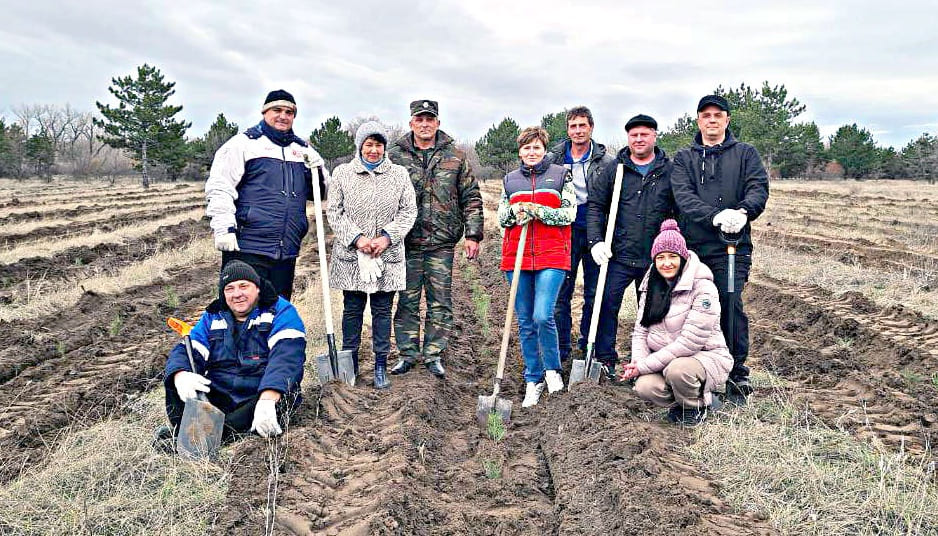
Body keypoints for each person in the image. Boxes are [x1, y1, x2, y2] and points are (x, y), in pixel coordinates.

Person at [670, 95, 769, 404]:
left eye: (718, 115)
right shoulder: (685, 158)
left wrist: (742, 212)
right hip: (695, 246)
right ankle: (695, 369)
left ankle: (736, 373)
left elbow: (758, 188)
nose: (711, 120)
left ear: (727, 120)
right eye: (705, 115)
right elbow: (683, 196)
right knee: (692, 306)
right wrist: (712, 216)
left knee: (729, 301)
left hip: (732, 246)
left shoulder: (745, 154)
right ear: (698, 121)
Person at [157, 260, 306, 448]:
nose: (237, 294)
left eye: (244, 286)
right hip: (223, 392)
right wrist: (180, 374)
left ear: (258, 288)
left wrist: (269, 397)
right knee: (175, 382)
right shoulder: (213, 316)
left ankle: (196, 440)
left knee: (279, 400)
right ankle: (199, 436)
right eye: (230, 288)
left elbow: (286, 358)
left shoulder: (281, 311)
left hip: (261, 392)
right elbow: (189, 349)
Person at [388, 100, 484, 378]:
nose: (425, 124)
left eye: (430, 119)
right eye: (420, 119)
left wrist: (473, 234)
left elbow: (471, 197)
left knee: (439, 301)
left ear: (438, 123)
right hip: (406, 243)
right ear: (411, 123)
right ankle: (407, 354)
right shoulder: (396, 156)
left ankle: (433, 354)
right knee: (407, 300)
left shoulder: (455, 156)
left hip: (442, 242)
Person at [205, 89, 327, 299]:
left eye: (289, 112)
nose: (283, 116)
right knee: (242, 308)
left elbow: (322, 193)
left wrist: (318, 170)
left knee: (276, 310)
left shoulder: (302, 149)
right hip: (248, 245)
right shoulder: (243, 144)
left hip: (286, 248)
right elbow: (220, 187)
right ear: (265, 112)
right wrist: (223, 227)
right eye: (277, 110)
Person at [326, 122, 417, 389]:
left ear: (385, 148)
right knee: (352, 310)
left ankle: (380, 366)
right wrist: (358, 239)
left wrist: (386, 238)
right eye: (369, 144)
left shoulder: (399, 175)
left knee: (381, 311)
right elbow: (335, 212)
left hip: (386, 255)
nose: (374, 150)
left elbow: (408, 211)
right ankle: (350, 364)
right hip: (352, 256)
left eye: (378, 145)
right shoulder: (343, 174)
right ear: (360, 146)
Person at [587, 114, 674, 383]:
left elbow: (678, 210)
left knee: (654, 313)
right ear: (628, 138)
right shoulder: (615, 169)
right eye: (634, 135)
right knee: (605, 305)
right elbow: (595, 207)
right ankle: (604, 359)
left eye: (644, 134)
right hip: (619, 255)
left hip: (654, 259)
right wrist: (596, 241)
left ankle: (649, 363)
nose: (639, 139)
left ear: (654, 136)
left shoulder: (669, 171)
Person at [621, 220, 732, 426]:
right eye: (660, 258)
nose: (667, 263)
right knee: (644, 386)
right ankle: (682, 403)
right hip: (667, 362)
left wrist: (645, 365)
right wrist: (638, 362)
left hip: (703, 357)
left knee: (678, 370)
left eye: (672, 256)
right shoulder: (650, 285)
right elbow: (640, 332)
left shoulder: (703, 288)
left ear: (682, 257)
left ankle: (696, 408)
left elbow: (689, 343)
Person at [497, 126, 576, 408]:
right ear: (520, 151)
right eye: (527, 148)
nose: (532, 152)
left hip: (552, 255)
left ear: (544, 150)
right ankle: (533, 378)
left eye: (537, 147)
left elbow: (569, 213)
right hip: (516, 257)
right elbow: (501, 217)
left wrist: (538, 210)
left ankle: (552, 369)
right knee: (526, 320)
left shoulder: (560, 176)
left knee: (543, 315)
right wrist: (514, 212)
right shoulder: (510, 180)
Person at [549, 106, 616, 363]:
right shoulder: (554, 158)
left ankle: (590, 344)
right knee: (560, 293)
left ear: (591, 128)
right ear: (568, 130)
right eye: (573, 126)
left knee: (594, 293)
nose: (578, 130)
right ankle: (561, 348)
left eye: (583, 126)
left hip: (595, 230)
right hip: (563, 231)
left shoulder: (606, 161)